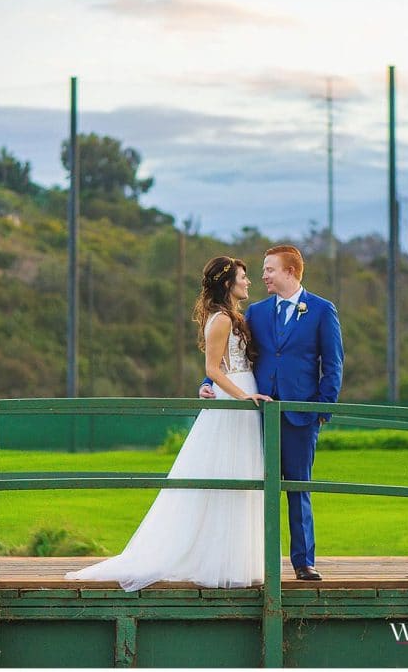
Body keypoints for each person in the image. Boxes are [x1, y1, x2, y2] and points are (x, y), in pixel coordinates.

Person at [66, 256, 272, 591]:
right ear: (227, 283)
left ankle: (235, 559)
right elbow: (214, 370)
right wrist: (244, 398)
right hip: (236, 400)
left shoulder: (234, 316)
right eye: (243, 277)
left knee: (242, 478)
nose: (249, 282)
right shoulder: (220, 320)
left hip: (240, 395)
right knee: (224, 476)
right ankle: (214, 560)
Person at [200, 245, 343, 581]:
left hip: (299, 415)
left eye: (269, 270)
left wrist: (322, 409)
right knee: (253, 486)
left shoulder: (322, 310)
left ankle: (303, 561)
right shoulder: (258, 313)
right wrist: (208, 381)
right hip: (256, 414)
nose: (263, 276)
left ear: (290, 272)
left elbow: (333, 364)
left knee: (298, 487)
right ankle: (254, 560)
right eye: (261, 271)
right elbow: (233, 355)